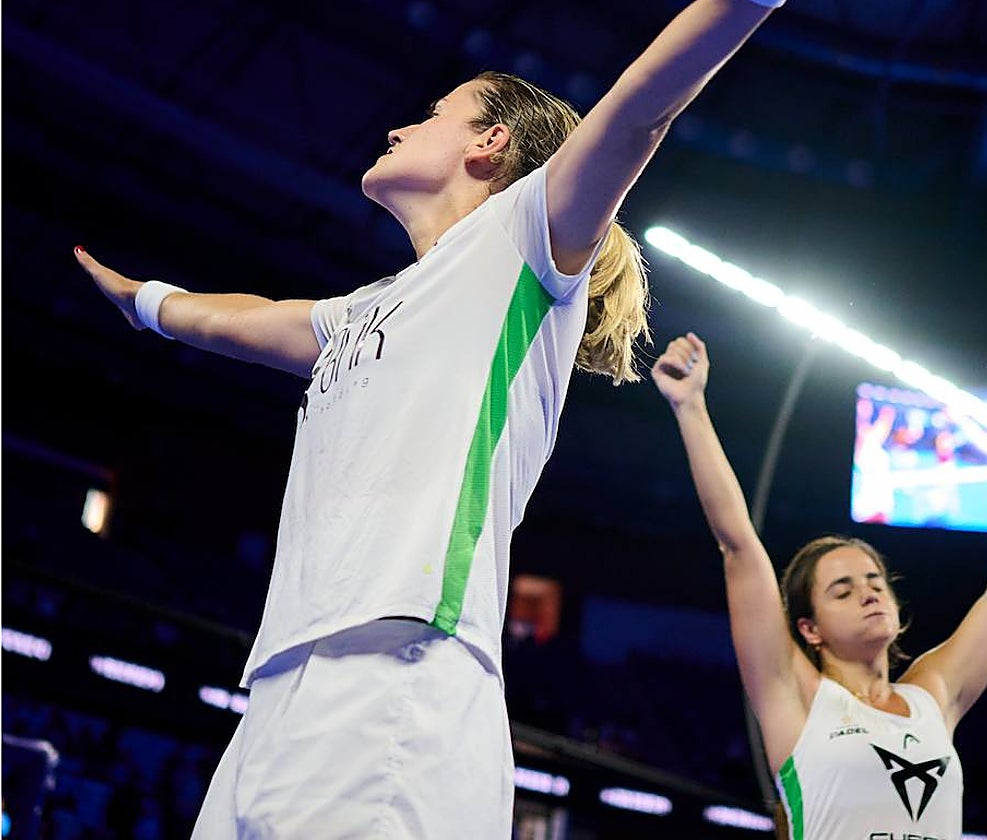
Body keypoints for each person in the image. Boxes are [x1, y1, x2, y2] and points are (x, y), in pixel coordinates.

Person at [73, 2, 789, 835]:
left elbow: (642, 104)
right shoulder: (363, 311)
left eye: (431, 115)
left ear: (490, 146)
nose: (396, 127)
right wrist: (143, 301)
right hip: (279, 687)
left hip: (400, 678)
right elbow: (236, 318)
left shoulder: (524, 243)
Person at [651, 332, 987, 840]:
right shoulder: (795, 693)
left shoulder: (932, 695)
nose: (869, 592)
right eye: (842, 591)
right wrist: (691, 407)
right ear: (810, 629)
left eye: (874, 581)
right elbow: (739, 547)